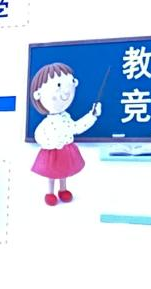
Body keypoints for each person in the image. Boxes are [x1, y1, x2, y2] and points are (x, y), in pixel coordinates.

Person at [29, 63, 101, 206]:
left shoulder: (66, 118)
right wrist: (50, 143)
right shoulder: (47, 122)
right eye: (58, 86)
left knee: (64, 171)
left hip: (66, 151)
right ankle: (50, 192)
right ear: (38, 95)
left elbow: (76, 127)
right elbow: (39, 136)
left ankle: (63, 189)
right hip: (51, 152)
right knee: (51, 173)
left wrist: (92, 116)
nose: (66, 91)